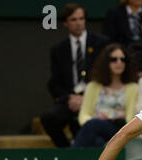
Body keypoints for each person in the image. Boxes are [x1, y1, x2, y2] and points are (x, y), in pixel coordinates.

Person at [40, 3, 109, 147]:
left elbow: (107, 75)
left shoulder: (101, 43)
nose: (78, 23)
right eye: (73, 20)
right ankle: (66, 154)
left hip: (96, 99)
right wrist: (70, 98)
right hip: (70, 100)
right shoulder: (58, 49)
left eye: (81, 19)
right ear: (65, 23)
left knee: (88, 132)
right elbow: (54, 83)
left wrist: (87, 97)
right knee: (48, 118)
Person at [72, 44, 138, 147]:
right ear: (106, 62)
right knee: (97, 142)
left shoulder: (133, 87)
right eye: (114, 59)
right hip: (95, 127)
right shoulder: (93, 86)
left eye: (122, 59)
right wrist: (96, 121)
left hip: (120, 129)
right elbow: (83, 115)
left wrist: (98, 122)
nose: (119, 62)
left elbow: (131, 118)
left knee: (93, 126)